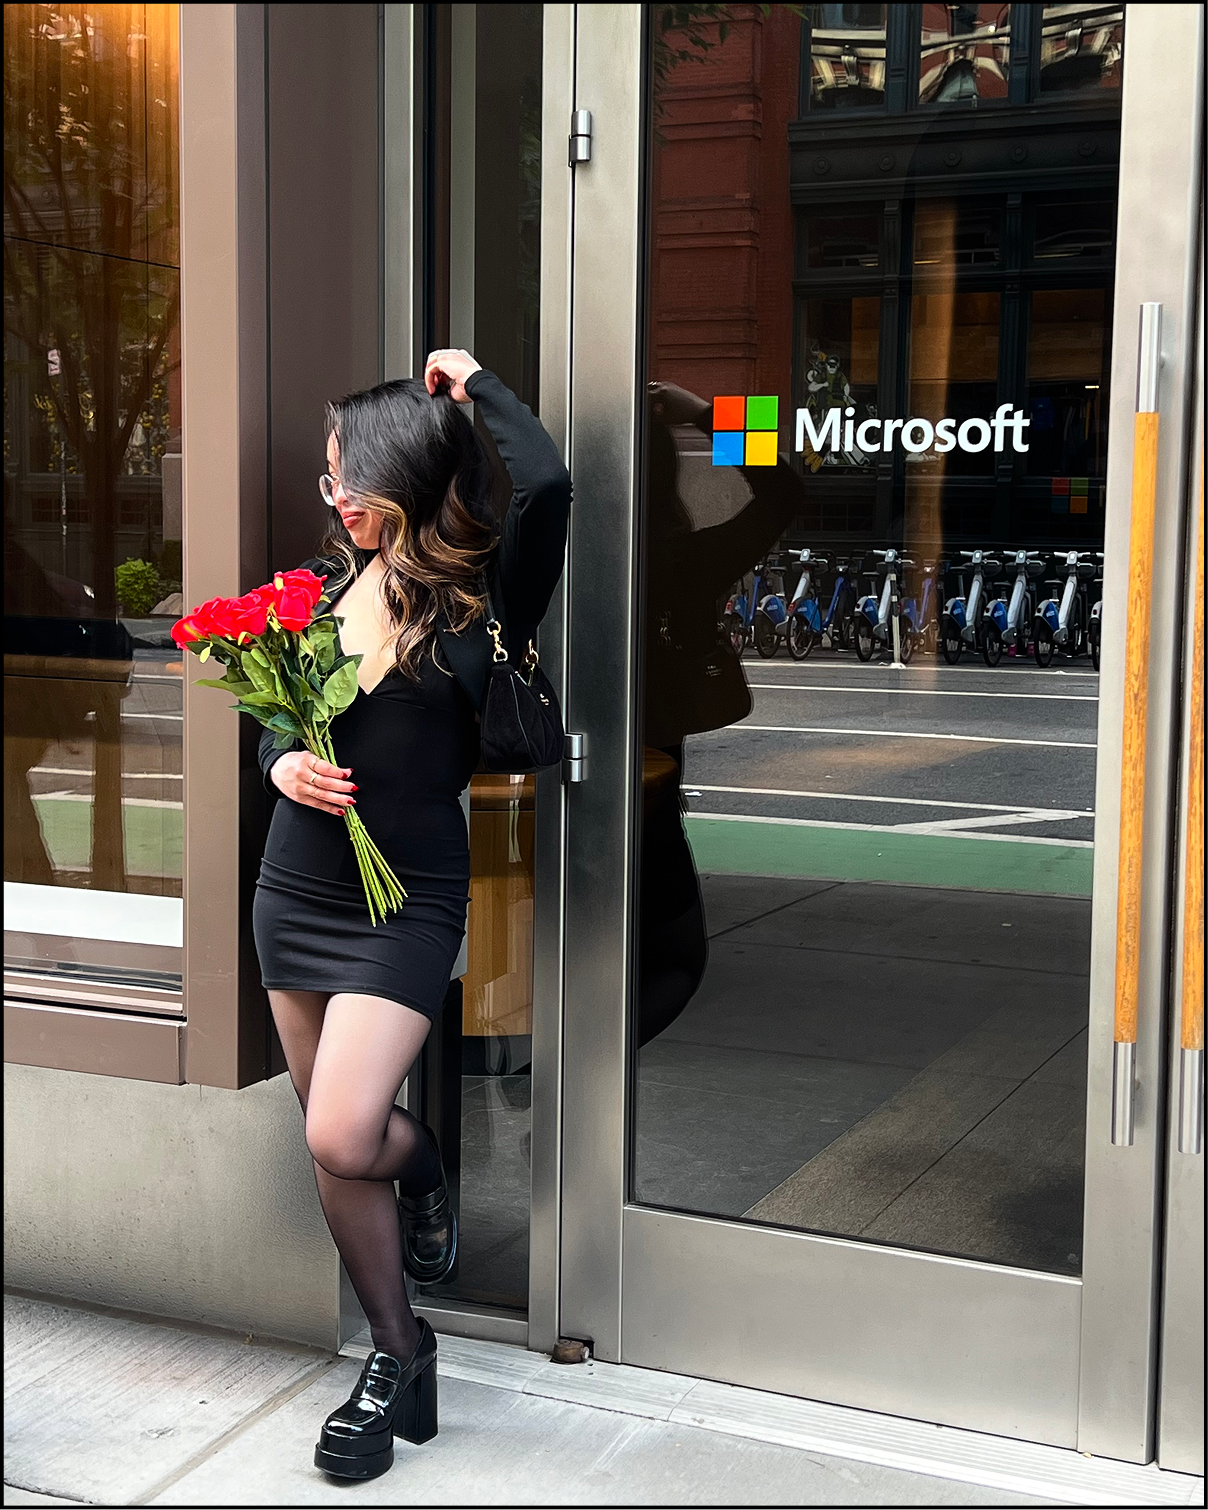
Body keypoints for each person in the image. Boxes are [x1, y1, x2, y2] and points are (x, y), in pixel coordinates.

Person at [252, 350, 571, 1481]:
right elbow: (270, 716)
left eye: (349, 472)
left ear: (402, 470)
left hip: (409, 903)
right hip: (296, 889)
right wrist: (281, 761)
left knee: (347, 1134)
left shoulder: (484, 595)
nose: (334, 494)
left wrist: (476, 386)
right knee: (331, 1143)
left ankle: (424, 1162)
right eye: (328, 474)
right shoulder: (317, 587)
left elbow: (547, 484)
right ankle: (398, 1352)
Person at [638, 381, 804, 1047]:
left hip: (554, 770)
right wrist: (709, 412)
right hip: (653, 770)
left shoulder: (554, 551)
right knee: (671, 940)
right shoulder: (685, 560)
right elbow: (784, 491)